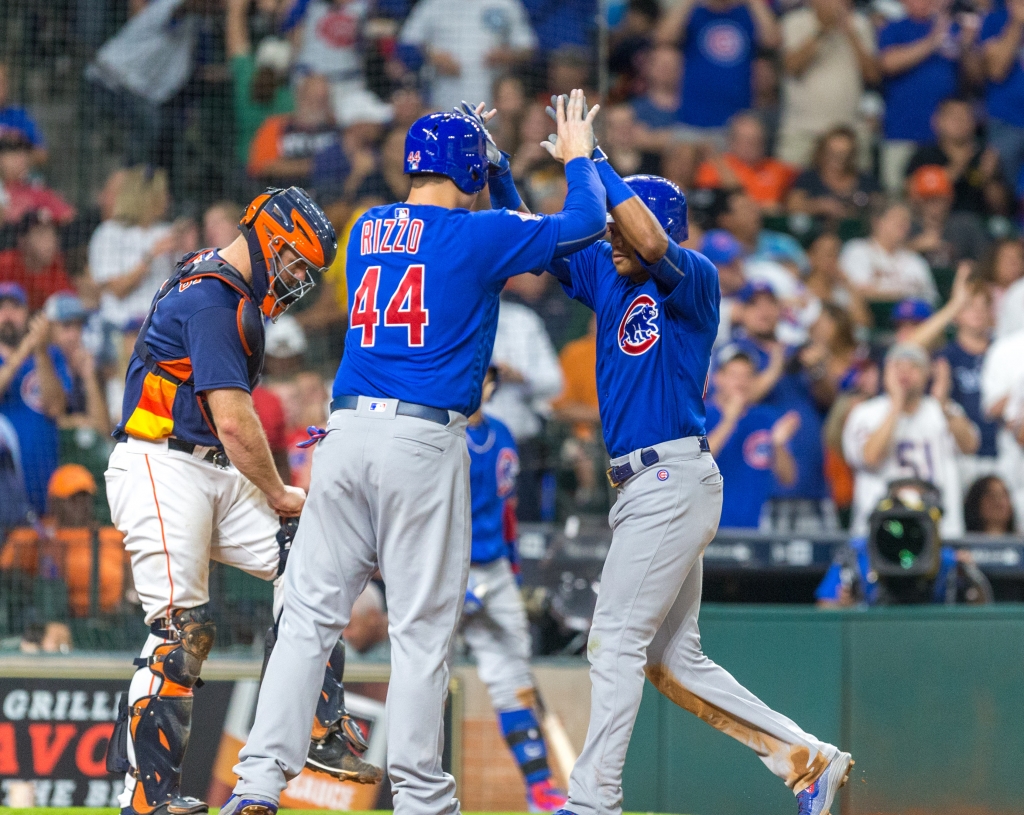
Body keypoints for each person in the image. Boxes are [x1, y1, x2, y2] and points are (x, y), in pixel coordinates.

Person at [223, 93, 605, 815]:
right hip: (421, 440)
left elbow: (453, 227)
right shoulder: (479, 233)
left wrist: (478, 156)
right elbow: (585, 223)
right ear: (465, 167)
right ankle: (425, 801)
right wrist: (575, 152)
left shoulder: (369, 226)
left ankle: (257, 787)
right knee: (423, 629)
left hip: (342, 435)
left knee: (307, 618)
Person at [537, 159, 852, 814]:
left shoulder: (695, 281)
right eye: (613, 233)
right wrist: (503, 177)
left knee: (614, 637)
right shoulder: (606, 271)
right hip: (648, 484)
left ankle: (593, 800)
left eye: (622, 230)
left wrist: (593, 160)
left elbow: (649, 244)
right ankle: (807, 759)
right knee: (672, 661)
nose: (614, 241)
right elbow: (549, 243)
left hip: (670, 474)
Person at [103, 187, 381, 815]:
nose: (297, 281)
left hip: (207, 468)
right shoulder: (212, 297)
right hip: (159, 462)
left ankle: (315, 723)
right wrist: (280, 490)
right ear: (271, 242)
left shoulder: (220, 284)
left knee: (313, 565)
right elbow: (233, 419)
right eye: (296, 263)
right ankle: (147, 800)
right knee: (182, 633)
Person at [459, 366, 568, 812]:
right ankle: (416, 789)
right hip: (447, 568)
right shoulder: (437, 434)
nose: (476, 384)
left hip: (495, 569)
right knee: (422, 670)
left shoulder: (501, 434)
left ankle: (539, 788)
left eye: (484, 378)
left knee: (514, 678)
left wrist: (515, 573)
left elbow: (508, 511)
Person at [842, 343, 975, 538]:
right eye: (898, 366)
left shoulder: (943, 411)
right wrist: (896, 405)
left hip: (939, 529)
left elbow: (970, 445)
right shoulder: (866, 413)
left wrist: (943, 402)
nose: (905, 373)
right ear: (886, 372)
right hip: (878, 532)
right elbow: (870, 457)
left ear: (927, 373)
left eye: (913, 366)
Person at [877, 0, 980, 193]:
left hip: (946, 142)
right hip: (903, 132)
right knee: (899, 194)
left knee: (944, 195)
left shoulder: (954, 30)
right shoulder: (895, 28)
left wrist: (967, 46)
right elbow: (888, 64)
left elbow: (974, 79)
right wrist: (933, 40)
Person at [1, 464, 127, 618]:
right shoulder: (36, 535)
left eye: (86, 498)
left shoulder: (111, 535)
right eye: (73, 499)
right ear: (55, 503)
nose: (83, 505)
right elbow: (7, 573)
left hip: (114, 620)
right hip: (59, 619)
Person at [656, 0, 781, 140]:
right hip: (692, 120)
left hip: (735, 124)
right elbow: (663, 36)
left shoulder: (746, 15)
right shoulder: (695, 13)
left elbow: (772, 40)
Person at [487, 293, 563, 521]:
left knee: (523, 528)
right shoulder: (454, 316)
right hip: (468, 442)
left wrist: (521, 377)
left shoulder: (523, 320)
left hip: (519, 446)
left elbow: (554, 382)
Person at [705, 347, 801, 527]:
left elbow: (788, 478)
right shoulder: (700, 416)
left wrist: (778, 444)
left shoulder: (767, 418)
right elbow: (696, 465)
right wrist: (729, 421)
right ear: (718, 378)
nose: (741, 382)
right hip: (707, 528)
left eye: (748, 375)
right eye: (734, 375)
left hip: (755, 530)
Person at [777, 0, 878, 168]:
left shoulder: (860, 23)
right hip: (802, 131)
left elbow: (872, 75)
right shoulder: (794, 22)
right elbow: (792, 68)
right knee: (793, 188)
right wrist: (822, 30)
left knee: (855, 190)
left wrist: (851, 33)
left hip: (849, 130)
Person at [0, 283, 69, 517]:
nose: (8, 315)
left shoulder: (50, 356)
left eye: (15, 307)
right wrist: (26, 348)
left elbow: (56, 407)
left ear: (27, 313)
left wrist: (39, 352)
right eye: (2, 307)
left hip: (43, 489)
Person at [399, 0, 538, 111]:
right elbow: (406, 44)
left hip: (492, 101)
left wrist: (506, 56)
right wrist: (432, 55)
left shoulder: (505, 3)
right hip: (443, 97)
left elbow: (528, 48)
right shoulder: (433, 4)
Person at [87, 166, 176, 333]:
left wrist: (187, 247)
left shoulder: (166, 231)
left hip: (158, 329)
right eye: (162, 193)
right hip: (119, 328)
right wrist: (150, 256)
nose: (167, 199)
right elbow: (118, 290)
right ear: (147, 196)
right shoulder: (109, 232)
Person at [905, 98, 1008, 217]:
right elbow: (912, 194)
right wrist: (957, 167)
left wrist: (989, 179)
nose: (960, 121)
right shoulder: (924, 155)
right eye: (954, 117)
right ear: (937, 121)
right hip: (935, 223)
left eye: (965, 116)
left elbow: (1000, 208)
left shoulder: (984, 155)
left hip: (976, 224)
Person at [226, 0, 294, 168]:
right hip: (279, 168)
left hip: (245, 166)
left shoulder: (246, 78)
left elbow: (236, 32)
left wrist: (238, 8)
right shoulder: (290, 98)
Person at [247, 74, 341, 187]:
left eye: (322, 99)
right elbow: (263, 166)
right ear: (299, 96)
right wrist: (315, 166)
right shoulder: (276, 126)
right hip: (283, 196)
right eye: (311, 98)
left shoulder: (338, 129)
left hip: (332, 196)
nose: (316, 105)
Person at [694, 112, 797, 212]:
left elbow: (799, 191)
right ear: (732, 141)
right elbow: (712, 204)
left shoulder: (778, 168)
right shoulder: (714, 168)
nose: (753, 146)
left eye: (757, 140)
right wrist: (762, 208)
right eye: (747, 141)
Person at [839, 201, 938, 303]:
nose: (903, 224)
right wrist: (904, 295)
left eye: (906, 220)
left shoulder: (915, 260)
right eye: (896, 218)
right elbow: (857, 293)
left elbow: (931, 299)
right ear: (877, 222)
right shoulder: (857, 250)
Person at [906, 165, 990, 272]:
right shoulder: (908, 228)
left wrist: (970, 266)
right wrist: (914, 247)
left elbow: (988, 260)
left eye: (939, 200)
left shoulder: (966, 225)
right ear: (917, 202)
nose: (934, 206)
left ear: (949, 200)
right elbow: (886, 258)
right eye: (928, 200)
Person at [786, 127, 880, 221]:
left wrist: (856, 209)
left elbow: (881, 206)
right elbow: (792, 205)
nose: (838, 158)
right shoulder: (809, 178)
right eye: (831, 153)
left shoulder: (866, 181)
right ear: (822, 151)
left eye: (844, 153)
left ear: (852, 155)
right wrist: (819, 206)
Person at [979, 0, 1024, 188]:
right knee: (1000, 187)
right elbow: (996, 70)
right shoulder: (995, 20)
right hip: (1007, 121)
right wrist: (1017, 22)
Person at [0, 209, 75, 312]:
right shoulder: (4, 264)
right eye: (41, 234)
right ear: (22, 240)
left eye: (53, 234)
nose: (49, 242)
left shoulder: (61, 271)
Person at [0, 131, 75, 226]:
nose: (21, 158)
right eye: (13, 152)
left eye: (24, 153)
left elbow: (68, 216)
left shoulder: (37, 190)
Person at [699, 229, 746, 346]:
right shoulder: (703, 302)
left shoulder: (750, 284)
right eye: (729, 264)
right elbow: (740, 313)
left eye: (737, 259)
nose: (737, 267)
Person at [0, 60, 47, 164]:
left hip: (15, 177)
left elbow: (42, 155)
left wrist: (18, 144)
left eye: (2, 83)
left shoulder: (18, 116)